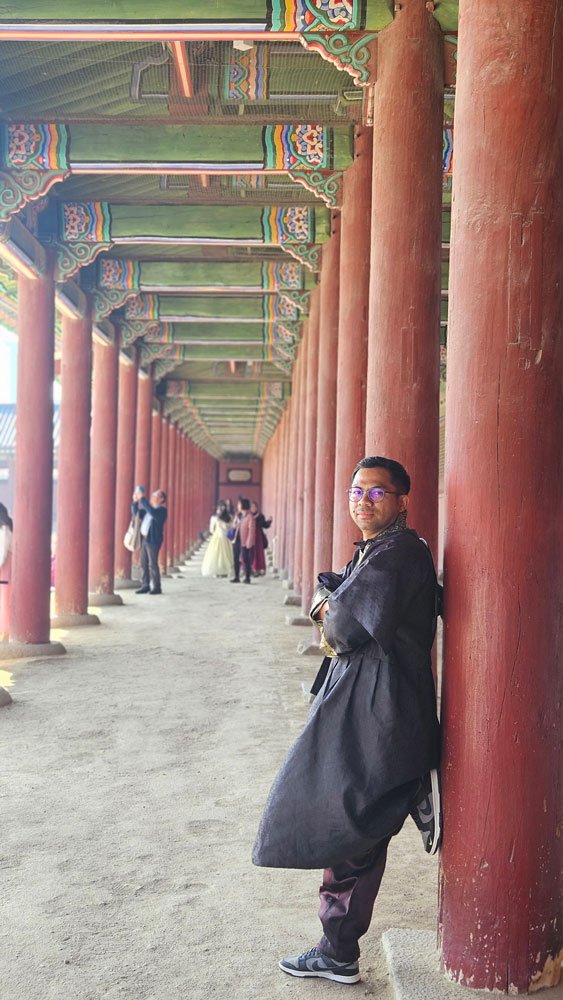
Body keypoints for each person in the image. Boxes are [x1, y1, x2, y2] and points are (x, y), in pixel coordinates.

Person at [253, 456, 441, 985]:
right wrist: (327, 598)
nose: (363, 500)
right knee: (349, 812)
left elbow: (341, 626)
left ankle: (337, 951)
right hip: (370, 697)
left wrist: (324, 603)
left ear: (403, 500)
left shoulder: (398, 551)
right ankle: (337, 947)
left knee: (349, 819)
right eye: (357, 490)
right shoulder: (384, 548)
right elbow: (334, 602)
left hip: (379, 706)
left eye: (377, 493)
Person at [132, 488, 168, 595]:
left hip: (153, 540)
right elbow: (136, 513)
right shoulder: (149, 510)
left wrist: (142, 498)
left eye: (155, 495)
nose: (151, 497)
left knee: (152, 564)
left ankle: (157, 587)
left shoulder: (161, 510)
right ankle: (145, 585)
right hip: (144, 539)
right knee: (143, 563)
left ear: (161, 499)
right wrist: (135, 502)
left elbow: (152, 512)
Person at [201, 505, 234, 578]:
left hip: (217, 538)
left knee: (217, 555)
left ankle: (218, 570)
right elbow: (231, 528)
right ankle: (225, 570)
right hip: (227, 539)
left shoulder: (215, 518)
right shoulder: (230, 518)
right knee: (227, 555)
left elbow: (211, 530)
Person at [0, 502, 13, 641]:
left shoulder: (4, 530)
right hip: (4, 565)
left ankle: (5, 631)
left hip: (4, 567)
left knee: (4, 598)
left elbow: (2, 552)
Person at [250, 501, 271, 576]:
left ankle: (259, 568)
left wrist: (269, 521)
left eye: (254, 507)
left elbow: (264, 525)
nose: (253, 508)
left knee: (259, 552)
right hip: (250, 536)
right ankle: (252, 568)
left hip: (258, 536)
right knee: (251, 552)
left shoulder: (260, 516)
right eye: (252, 507)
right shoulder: (248, 516)